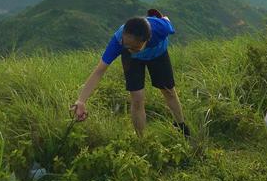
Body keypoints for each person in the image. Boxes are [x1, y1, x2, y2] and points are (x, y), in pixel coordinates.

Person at [71, 9, 189, 137]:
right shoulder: (119, 42)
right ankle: (141, 139)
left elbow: (167, 21)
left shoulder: (160, 28)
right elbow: (99, 71)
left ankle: (181, 128)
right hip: (132, 61)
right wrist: (81, 101)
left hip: (158, 54)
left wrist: (164, 19)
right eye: (126, 45)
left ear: (147, 40)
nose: (130, 49)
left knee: (169, 91)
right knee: (137, 98)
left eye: (135, 48)